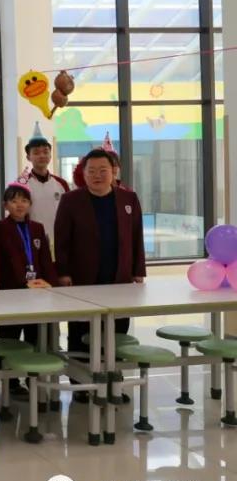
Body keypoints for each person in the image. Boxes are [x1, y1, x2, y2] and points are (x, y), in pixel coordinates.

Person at [55, 148, 146, 401]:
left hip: (120, 278)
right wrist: (63, 272)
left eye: (103, 170)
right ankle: (81, 385)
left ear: (114, 172)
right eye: (91, 171)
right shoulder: (71, 200)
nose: (97, 175)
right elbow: (61, 240)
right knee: (80, 332)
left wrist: (138, 271)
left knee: (116, 333)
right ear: (83, 173)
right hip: (82, 279)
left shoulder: (128, 199)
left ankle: (114, 384)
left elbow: (136, 236)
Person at [0, 169, 57, 398]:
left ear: (30, 204)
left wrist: (51, 283)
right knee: (9, 338)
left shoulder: (37, 228)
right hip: (10, 292)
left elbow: (45, 259)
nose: (19, 205)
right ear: (5, 205)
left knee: (34, 335)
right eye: (14, 201)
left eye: (24, 200)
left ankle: (33, 377)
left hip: (37, 294)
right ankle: (10, 382)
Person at [23, 122, 69, 246]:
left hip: (59, 240)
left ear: (50, 155)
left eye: (45, 152)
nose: (42, 155)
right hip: (32, 241)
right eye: (36, 153)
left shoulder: (61, 184)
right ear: (28, 157)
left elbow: (69, 213)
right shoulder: (22, 184)